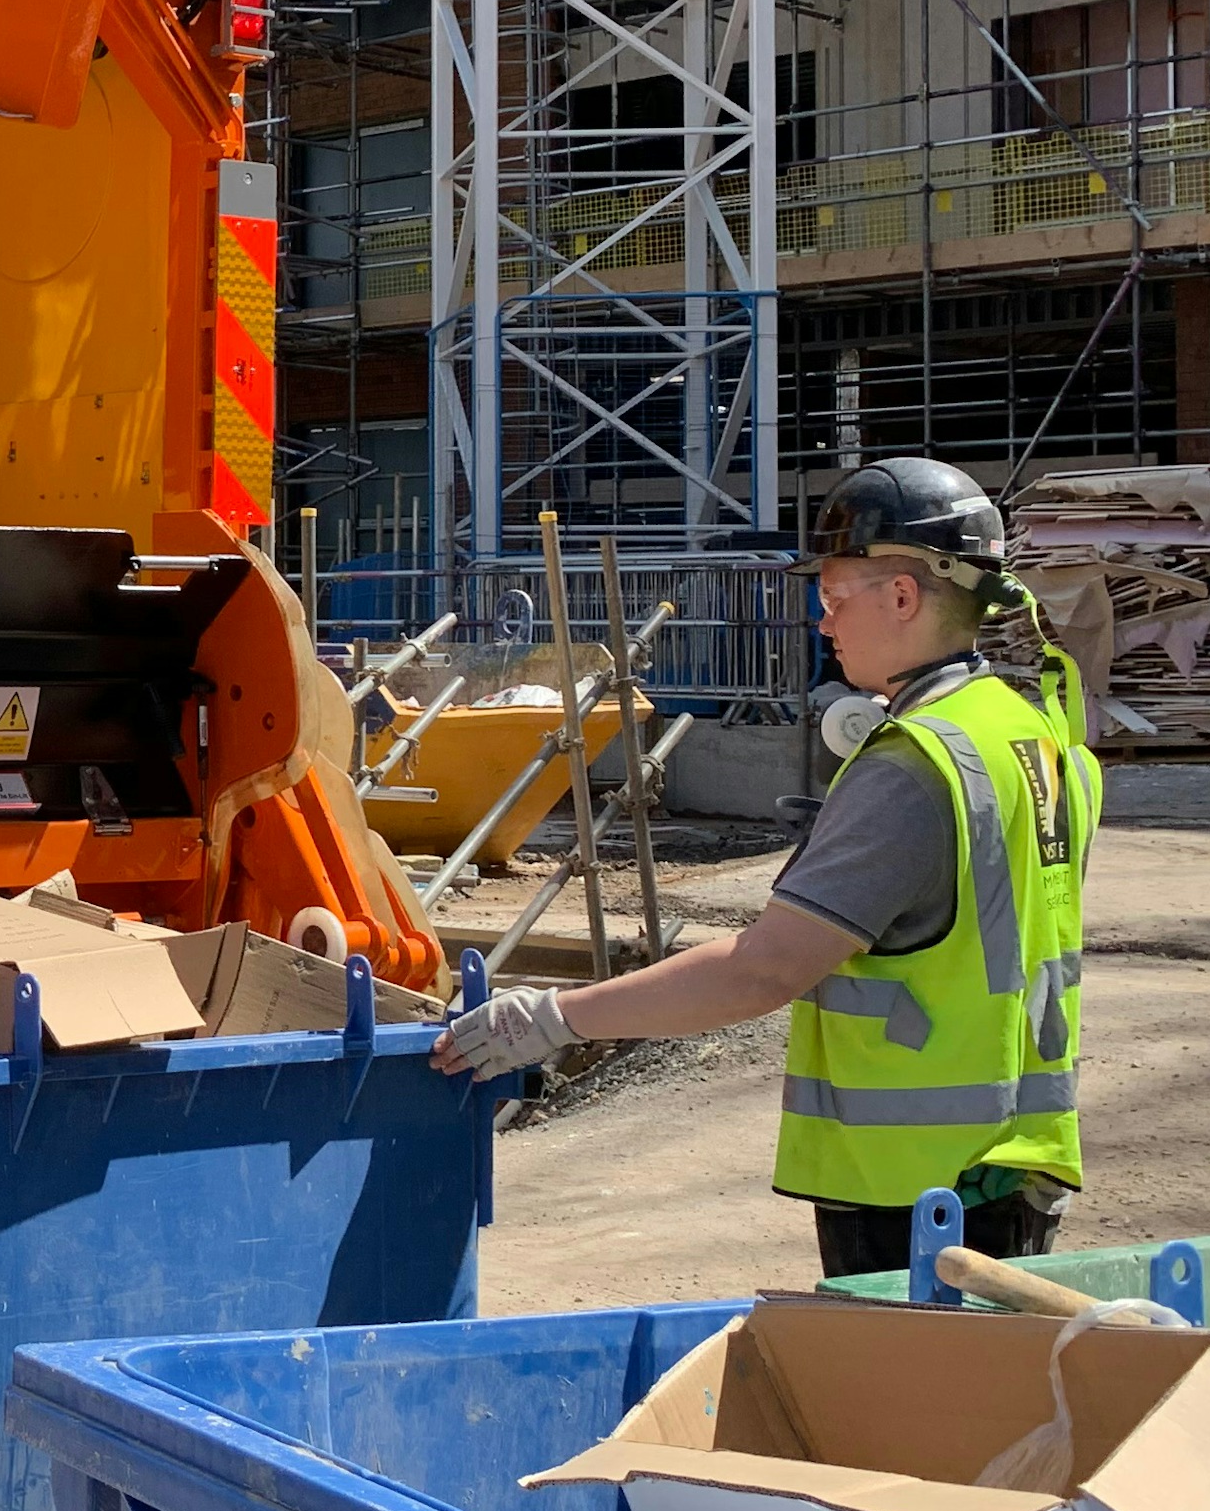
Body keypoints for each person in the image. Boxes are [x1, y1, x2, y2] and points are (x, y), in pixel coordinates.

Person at [434, 457, 1099, 1279]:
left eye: (833, 596)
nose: (823, 623)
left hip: (917, 1193)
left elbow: (762, 971)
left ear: (902, 594)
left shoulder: (912, 766)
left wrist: (554, 1019)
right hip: (1017, 1163)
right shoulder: (1031, 734)